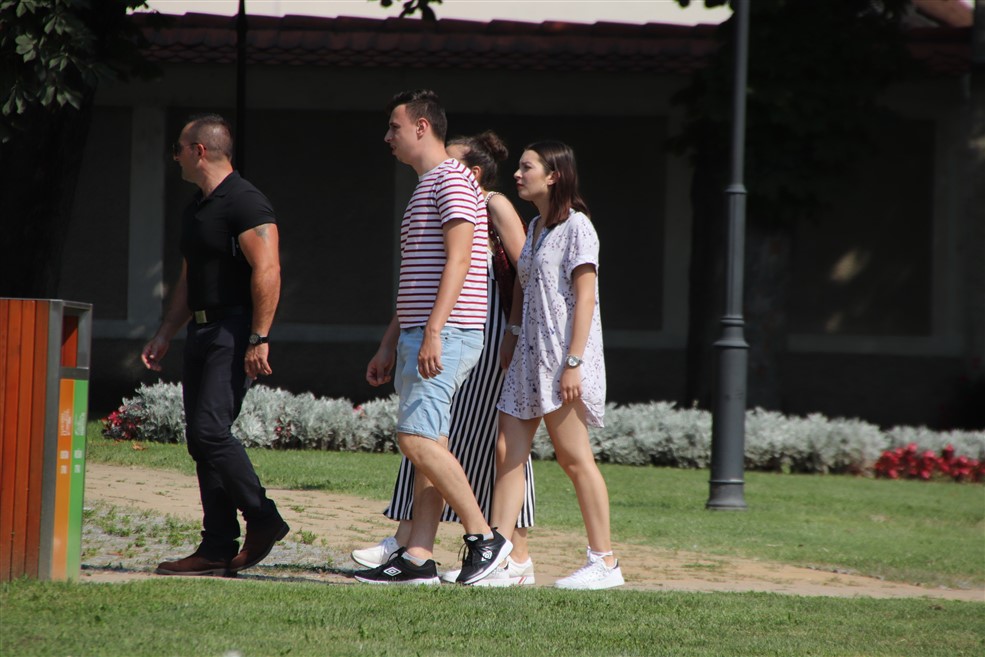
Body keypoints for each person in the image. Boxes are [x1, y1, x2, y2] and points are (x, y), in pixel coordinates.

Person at [351, 131, 537, 587]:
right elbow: (423, 281)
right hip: (452, 330)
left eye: (451, 162)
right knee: (434, 439)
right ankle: (415, 546)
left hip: (481, 335)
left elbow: (527, 272)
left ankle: (501, 547)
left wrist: (514, 332)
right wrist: (390, 341)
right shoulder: (442, 196)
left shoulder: (490, 203)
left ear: (471, 171)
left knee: (471, 442)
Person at [141, 114, 289, 577]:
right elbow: (191, 276)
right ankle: (217, 546)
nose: (175, 156)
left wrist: (259, 337)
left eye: (178, 148)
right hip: (201, 331)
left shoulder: (245, 201)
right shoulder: (198, 207)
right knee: (200, 441)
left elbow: (268, 268)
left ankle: (262, 517)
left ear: (199, 151)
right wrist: (166, 331)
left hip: (234, 328)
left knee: (210, 431)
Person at [489, 140, 624, 590]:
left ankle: (605, 562)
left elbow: (586, 298)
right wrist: (511, 334)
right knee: (507, 452)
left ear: (554, 176)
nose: (517, 174)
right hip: (527, 357)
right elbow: (523, 285)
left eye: (527, 167)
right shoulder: (534, 227)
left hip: (561, 358)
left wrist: (573, 363)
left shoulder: (578, 227)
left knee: (574, 459)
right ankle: (501, 559)